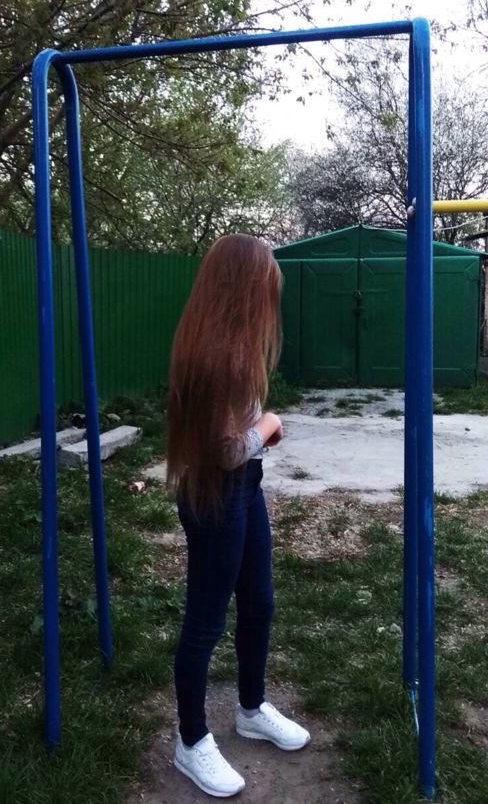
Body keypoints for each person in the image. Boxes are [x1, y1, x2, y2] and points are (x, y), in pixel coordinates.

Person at [167, 234, 310, 798]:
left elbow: (234, 441)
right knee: (205, 623)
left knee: (259, 602)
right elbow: (226, 450)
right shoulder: (216, 355)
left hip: (245, 488)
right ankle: (191, 741)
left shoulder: (231, 344)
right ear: (243, 291)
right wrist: (269, 424)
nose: (269, 304)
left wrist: (257, 433)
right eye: (264, 291)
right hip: (216, 496)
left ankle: (251, 709)